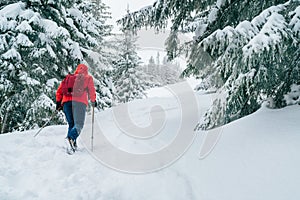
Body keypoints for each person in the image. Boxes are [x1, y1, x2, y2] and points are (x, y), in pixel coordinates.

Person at [56, 63, 97, 149]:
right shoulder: (88, 78)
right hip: (79, 103)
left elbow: (59, 91)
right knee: (79, 124)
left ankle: (71, 145)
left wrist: (58, 103)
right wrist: (93, 101)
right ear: (86, 70)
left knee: (72, 123)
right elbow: (91, 90)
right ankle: (70, 138)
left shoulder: (68, 78)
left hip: (66, 103)